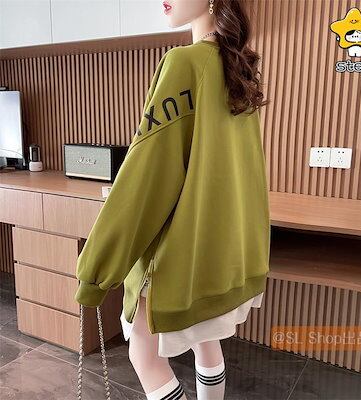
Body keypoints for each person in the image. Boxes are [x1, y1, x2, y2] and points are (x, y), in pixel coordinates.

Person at [74, 0, 271, 399]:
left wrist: (96, 271)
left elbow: (147, 176)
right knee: (206, 342)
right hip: (224, 256)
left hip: (179, 254)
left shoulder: (184, 63)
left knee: (143, 355)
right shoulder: (237, 68)